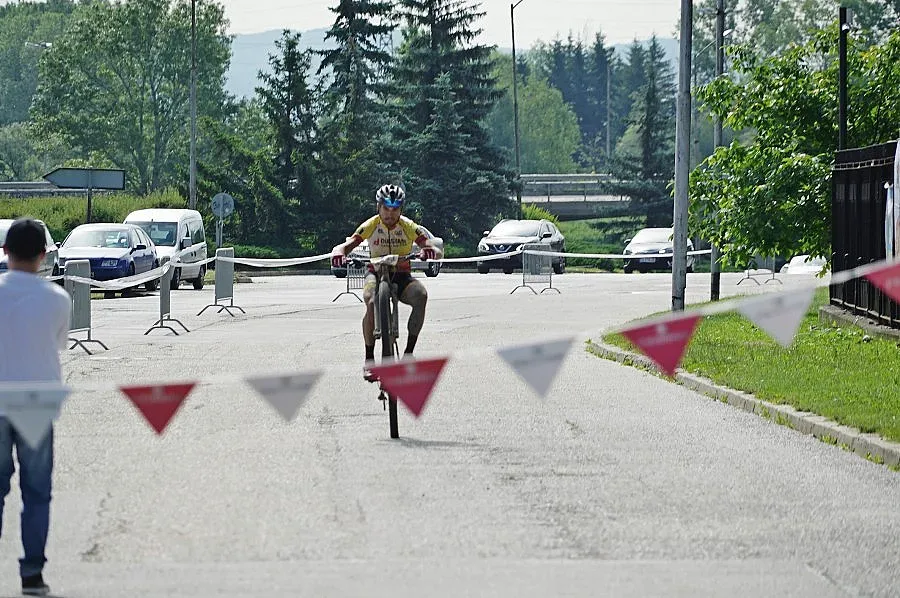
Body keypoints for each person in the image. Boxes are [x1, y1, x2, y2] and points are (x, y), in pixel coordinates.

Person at [0, 218, 71, 596]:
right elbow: (58, 344)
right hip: (38, 404)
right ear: (43, 255)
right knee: (37, 491)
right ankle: (32, 575)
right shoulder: (58, 298)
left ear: (5, 252)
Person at [331, 184, 443, 379]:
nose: (390, 214)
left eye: (395, 209)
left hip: (401, 274)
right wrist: (339, 252)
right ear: (378, 207)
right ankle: (369, 359)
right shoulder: (371, 224)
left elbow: (430, 245)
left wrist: (430, 251)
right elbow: (348, 245)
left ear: (401, 209)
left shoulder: (408, 226)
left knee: (421, 296)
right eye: (386, 208)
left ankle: (408, 354)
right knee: (370, 301)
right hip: (375, 272)